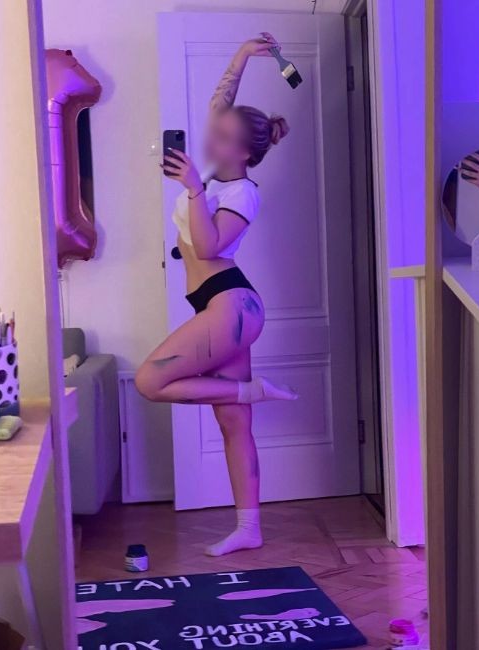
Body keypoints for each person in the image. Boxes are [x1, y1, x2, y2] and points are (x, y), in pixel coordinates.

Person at [136, 33, 297, 557]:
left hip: (231, 305)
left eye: (224, 137)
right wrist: (242, 56)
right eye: (215, 132)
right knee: (233, 423)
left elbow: (207, 246)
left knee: (149, 380)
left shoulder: (241, 192)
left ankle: (253, 390)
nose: (212, 139)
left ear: (245, 152)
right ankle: (249, 529)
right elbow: (220, 101)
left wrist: (192, 189)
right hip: (221, 308)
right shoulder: (213, 172)